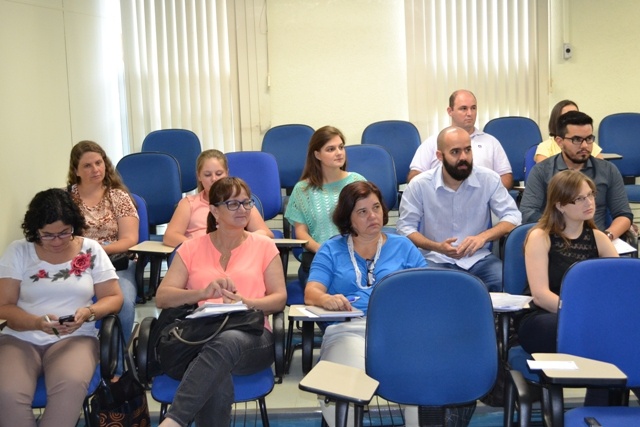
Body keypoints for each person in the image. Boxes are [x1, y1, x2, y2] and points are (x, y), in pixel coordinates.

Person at [155, 177, 286, 427]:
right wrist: (202, 293)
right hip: (200, 336)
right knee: (215, 371)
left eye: (246, 203)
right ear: (214, 210)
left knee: (224, 344)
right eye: (233, 204)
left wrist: (245, 302)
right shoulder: (191, 248)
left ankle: (174, 421)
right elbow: (163, 297)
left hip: (253, 337)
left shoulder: (265, 246)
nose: (243, 209)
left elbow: (279, 299)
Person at [304, 181, 427, 427]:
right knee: (341, 383)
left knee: (420, 380)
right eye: (362, 211)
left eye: (376, 207)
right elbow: (311, 292)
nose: (373, 215)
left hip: (397, 332)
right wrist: (327, 299)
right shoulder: (331, 248)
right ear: (348, 219)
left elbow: (425, 289)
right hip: (349, 329)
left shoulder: (403, 246)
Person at [0, 188, 123, 427]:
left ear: (74, 226)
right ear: (35, 229)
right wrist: (36, 323)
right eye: (48, 235)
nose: (56, 241)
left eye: (64, 233)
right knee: (7, 394)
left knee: (69, 386)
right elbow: (4, 306)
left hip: (75, 338)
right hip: (20, 338)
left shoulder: (91, 249)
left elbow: (114, 297)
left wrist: (89, 313)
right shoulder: (19, 251)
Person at [397, 126, 522, 292]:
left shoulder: (488, 179)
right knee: (424, 288)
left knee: (506, 281)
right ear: (440, 156)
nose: (464, 157)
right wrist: (436, 246)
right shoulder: (419, 185)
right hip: (435, 258)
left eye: (468, 150)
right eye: (455, 152)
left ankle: (492, 319)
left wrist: (483, 237)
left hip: (478, 258)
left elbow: (513, 217)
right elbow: (405, 227)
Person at [518, 170, 618, 353]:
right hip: (546, 314)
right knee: (560, 327)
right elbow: (540, 295)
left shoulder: (599, 238)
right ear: (560, 205)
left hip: (589, 313)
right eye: (579, 199)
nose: (589, 203)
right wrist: (581, 314)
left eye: (590, 195)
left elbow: (619, 284)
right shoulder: (540, 237)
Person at [66, 140, 138, 370]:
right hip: (77, 265)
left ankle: (117, 367)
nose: (96, 169)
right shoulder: (66, 199)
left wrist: (95, 251)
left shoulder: (118, 197)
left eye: (99, 163)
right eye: (87, 165)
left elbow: (129, 240)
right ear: (76, 170)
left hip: (116, 264)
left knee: (123, 300)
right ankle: (77, 360)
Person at [520, 111, 633, 241]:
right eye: (577, 140)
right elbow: (528, 213)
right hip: (556, 240)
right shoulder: (542, 171)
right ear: (559, 141)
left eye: (589, 139)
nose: (585, 145)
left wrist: (606, 237)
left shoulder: (608, 170)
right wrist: (558, 232)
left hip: (597, 240)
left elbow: (623, 214)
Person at [284, 126, 366, 283]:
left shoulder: (357, 181)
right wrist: (323, 251)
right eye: (331, 149)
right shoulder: (303, 189)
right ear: (317, 155)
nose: (339, 152)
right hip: (319, 258)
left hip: (355, 256)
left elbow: (368, 222)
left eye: (341, 147)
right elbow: (301, 232)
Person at [163, 149, 273, 247]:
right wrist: (201, 248)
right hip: (199, 258)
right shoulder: (188, 203)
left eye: (219, 173)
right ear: (199, 176)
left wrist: (240, 241)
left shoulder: (241, 202)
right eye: (207, 175)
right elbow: (170, 236)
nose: (214, 179)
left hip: (236, 257)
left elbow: (266, 233)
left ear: (227, 174)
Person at [407, 89, 513, 189]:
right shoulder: (433, 142)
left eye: (473, 108)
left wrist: (487, 195)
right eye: (463, 108)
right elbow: (414, 177)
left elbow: (506, 177)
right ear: (450, 111)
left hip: (481, 203)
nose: (469, 113)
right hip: (441, 201)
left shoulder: (491, 142)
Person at [534, 100, 603, 163]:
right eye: (567, 116)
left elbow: (602, 169)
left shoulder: (589, 144)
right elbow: (544, 172)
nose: (573, 119)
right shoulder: (545, 147)